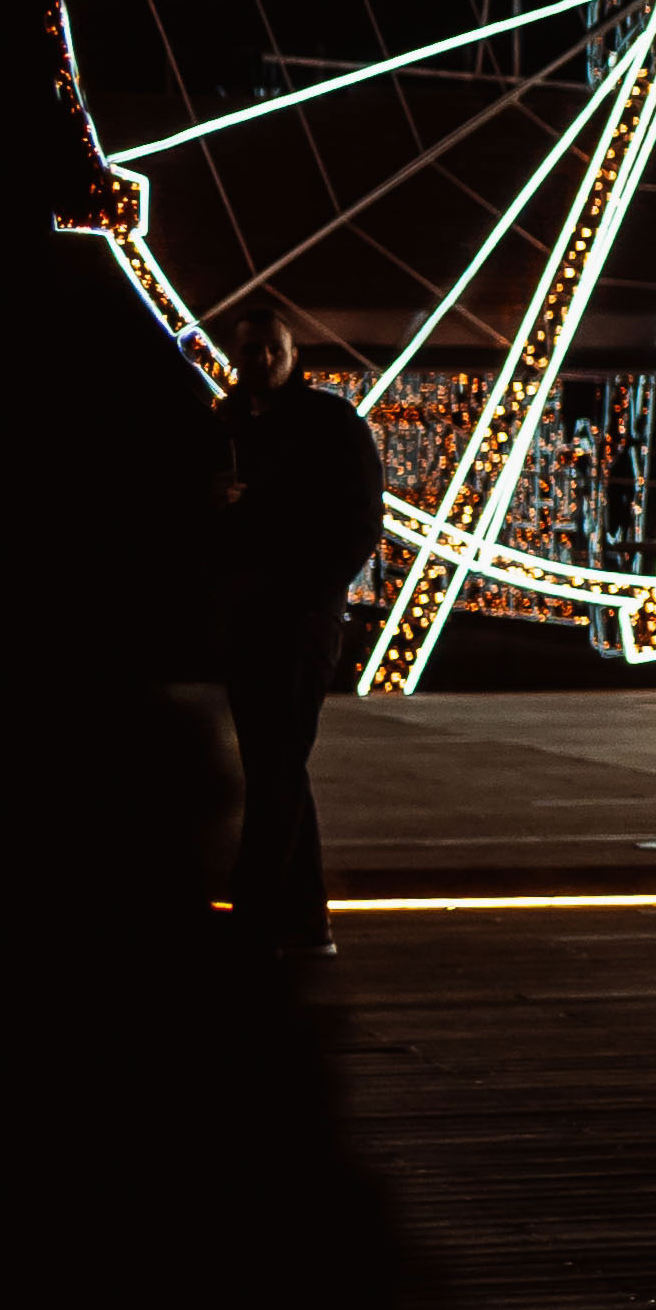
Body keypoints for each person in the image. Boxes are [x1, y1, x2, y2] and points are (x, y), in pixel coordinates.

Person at [212, 304, 386, 954]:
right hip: (247, 616)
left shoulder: (332, 424)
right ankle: (306, 919)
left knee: (276, 763)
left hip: (299, 620)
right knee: (273, 764)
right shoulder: (225, 426)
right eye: (250, 351)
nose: (261, 361)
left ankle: (256, 911)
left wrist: (313, 596)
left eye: (272, 350)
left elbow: (361, 520)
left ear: (292, 355)